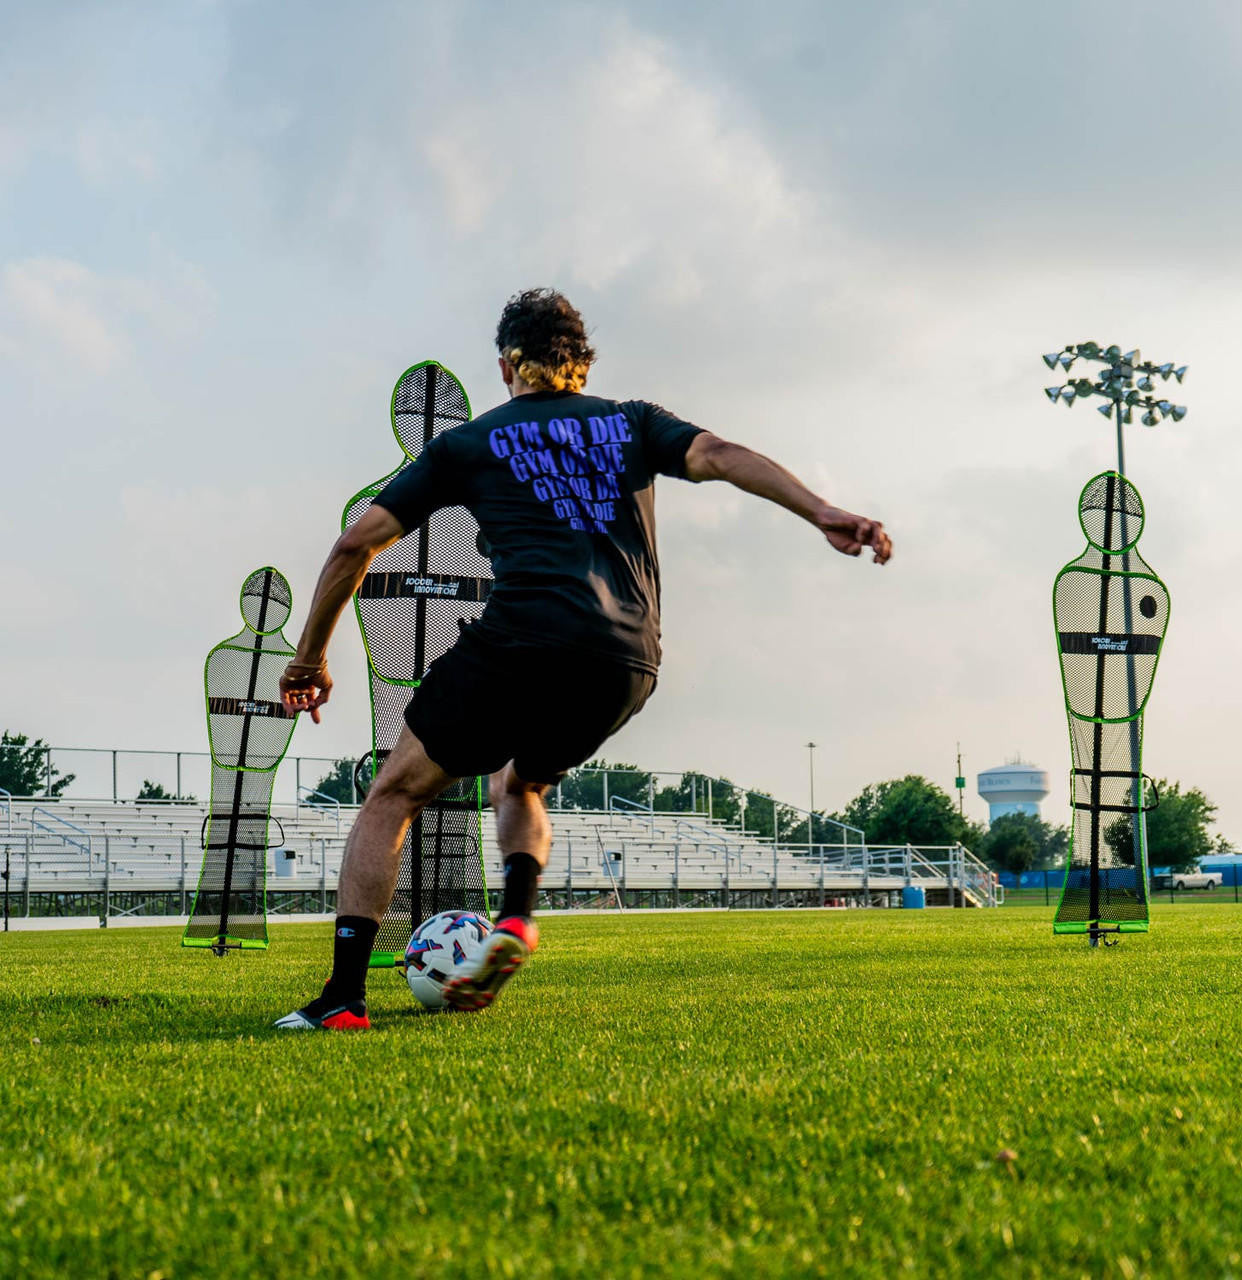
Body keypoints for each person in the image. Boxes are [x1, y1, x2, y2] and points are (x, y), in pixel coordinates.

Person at [273, 288, 891, 1030]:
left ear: (508, 365)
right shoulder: (632, 423)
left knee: (394, 795)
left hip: (520, 638)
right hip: (627, 658)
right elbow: (722, 457)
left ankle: (342, 997)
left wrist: (309, 660)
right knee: (521, 782)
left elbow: (357, 543)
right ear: (581, 363)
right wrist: (823, 511)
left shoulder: (469, 444)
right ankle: (517, 919)